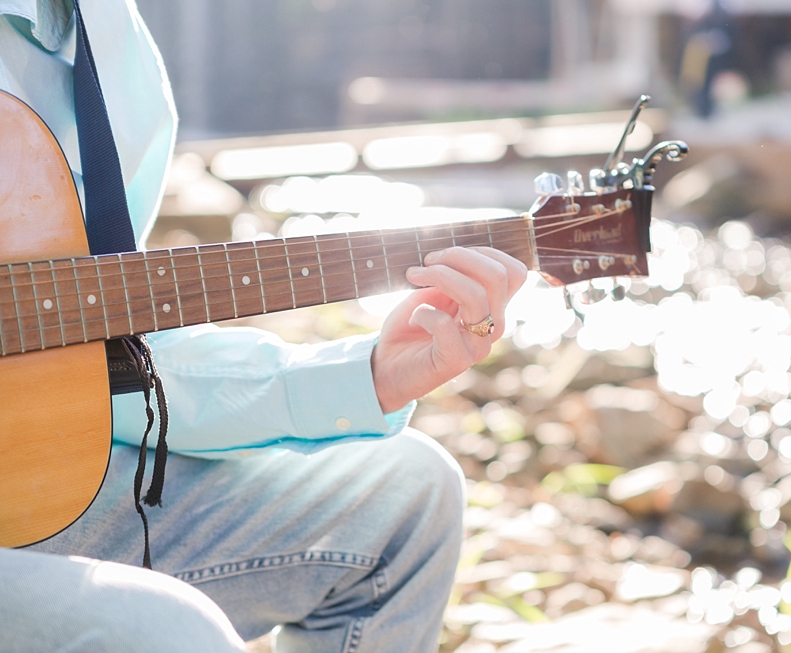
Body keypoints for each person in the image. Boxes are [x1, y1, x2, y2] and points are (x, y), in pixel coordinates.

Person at [0, 1, 527, 651]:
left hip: (27, 495)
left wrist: (364, 377)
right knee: (167, 632)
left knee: (403, 489)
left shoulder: (107, 43)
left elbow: (103, 341)